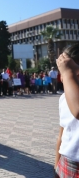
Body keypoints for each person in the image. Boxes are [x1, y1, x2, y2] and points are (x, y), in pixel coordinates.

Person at [55, 43, 79, 177]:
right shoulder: (64, 98)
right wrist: (56, 165)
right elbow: (61, 136)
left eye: (68, 71)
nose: (63, 77)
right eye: (61, 72)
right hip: (66, 163)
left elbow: (77, 110)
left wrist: (69, 72)